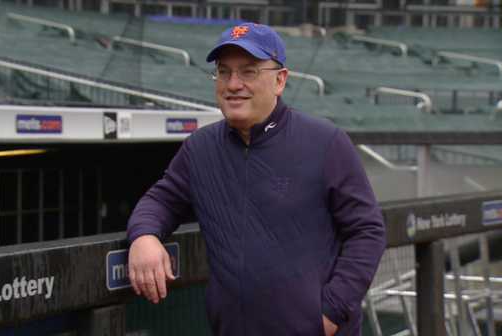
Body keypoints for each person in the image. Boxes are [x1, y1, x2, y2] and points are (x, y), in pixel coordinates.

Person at [127, 22, 386, 336]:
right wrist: (143, 236)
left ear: (279, 80)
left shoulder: (326, 141)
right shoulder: (200, 148)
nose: (233, 84)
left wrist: (330, 312)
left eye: (248, 71)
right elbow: (160, 201)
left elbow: (367, 232)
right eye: (223, 72)